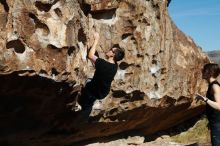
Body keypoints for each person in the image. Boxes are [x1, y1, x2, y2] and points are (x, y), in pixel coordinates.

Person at [76, 32, 125, 121]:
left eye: (111, 50)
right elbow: (101, 66)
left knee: (87, 83)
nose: (109, 50)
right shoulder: (114, 67)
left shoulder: (103, 64)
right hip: (102, 93)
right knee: (90, 101)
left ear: (112, 54)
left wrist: (96, 40)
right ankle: (86, 111)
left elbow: (90, 55)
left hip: (93, 89)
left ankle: (82, 108)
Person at [196, 63, 220, 146]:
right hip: (215, 122)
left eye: (204, 70)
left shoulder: (215, 86)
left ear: (210, 72)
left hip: (217, 123)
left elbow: (218, 106)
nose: (202, 72)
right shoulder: (212, 85)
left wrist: (205, 99)